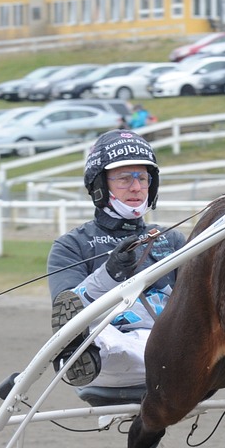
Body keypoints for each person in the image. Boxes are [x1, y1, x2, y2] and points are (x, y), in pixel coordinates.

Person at [46, 129, 187, 392]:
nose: (135, 187)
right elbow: (68, 312)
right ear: (100, 185)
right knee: (96, 339)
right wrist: (110, 273)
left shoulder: (173, 240)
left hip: (172, 344)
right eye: (124, 179)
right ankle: (84, 357)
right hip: (112, 352)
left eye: (142, 178)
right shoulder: (71, 245)